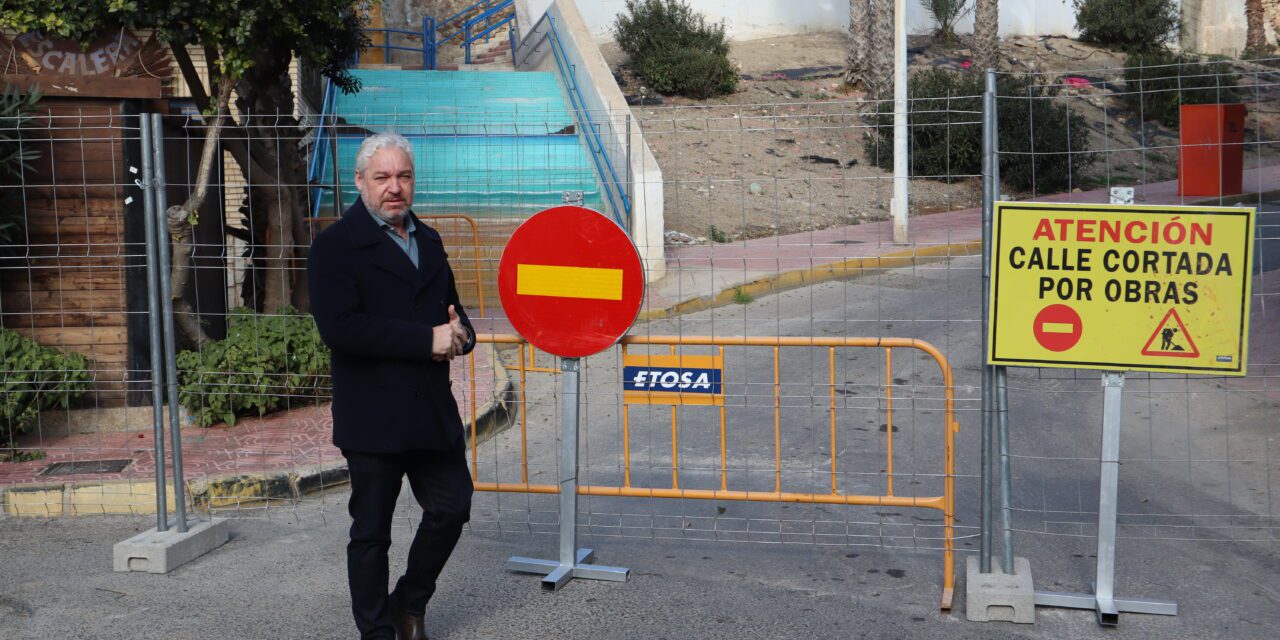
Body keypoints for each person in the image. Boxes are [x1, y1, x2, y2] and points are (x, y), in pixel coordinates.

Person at [308, 131, 476, 640]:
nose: (394, 188)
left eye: (403, 176)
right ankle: (377, 631)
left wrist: (462, 336)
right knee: (372, 534)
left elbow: (454, 314)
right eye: (382, 177)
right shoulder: (335, 246)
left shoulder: (429, 239)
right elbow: (340, 328)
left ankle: (408, 602)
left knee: (452, 507)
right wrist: (428, 339)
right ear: (360, 181)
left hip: (429, 411)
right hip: (373, 415)